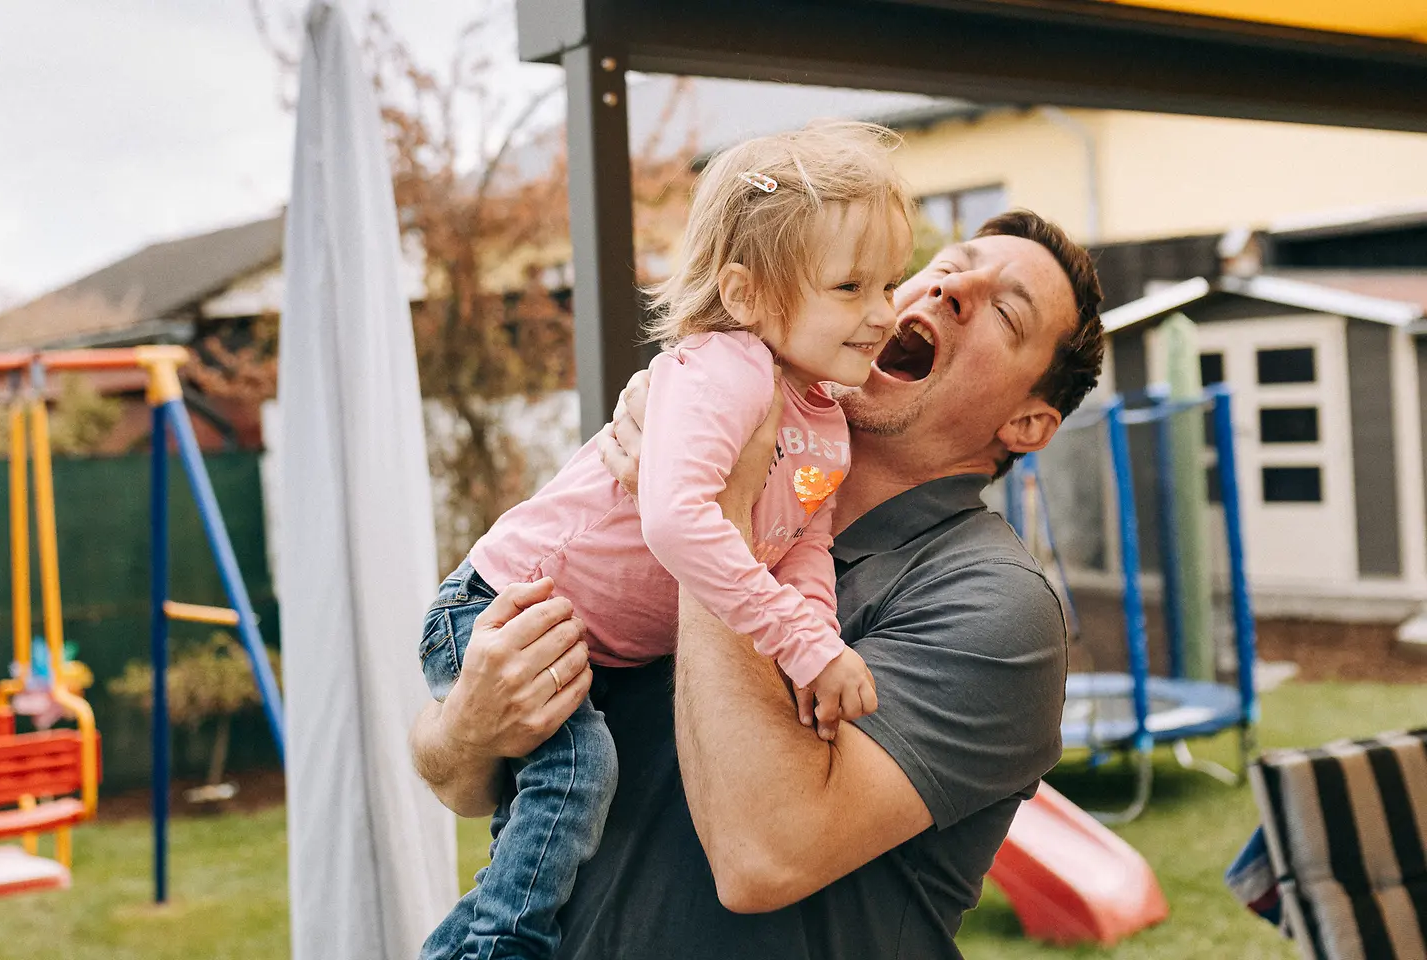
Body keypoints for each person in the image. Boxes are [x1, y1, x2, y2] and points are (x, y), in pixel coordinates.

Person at [411, 208, 1105, 960]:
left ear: (1029, 424)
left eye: (1005, 310)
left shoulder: (992, 606)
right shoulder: (717, 442)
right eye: (945, 266)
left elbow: (763, 858)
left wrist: (710, 519)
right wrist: (465, 731)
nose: (950, 288)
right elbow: (463, 780)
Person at [416, 122, 915, 960]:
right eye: (850, 286)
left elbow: (800, 543)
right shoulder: (727, 371)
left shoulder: (823, 418)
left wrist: (815, 641)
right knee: (576, 775)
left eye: (890, 282)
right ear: (748, 294)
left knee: (564, 789)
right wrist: (793, 639)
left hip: (592, 648)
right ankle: (485, 947)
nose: (883, 313)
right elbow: (678, 518)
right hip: (503, 605)